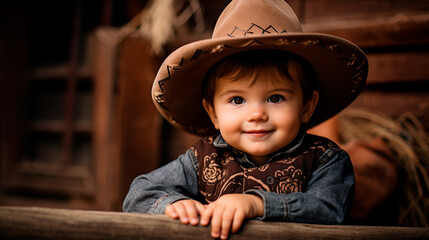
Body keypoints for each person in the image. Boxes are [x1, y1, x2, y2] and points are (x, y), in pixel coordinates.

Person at [123, 0, 368, 239]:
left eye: (275, 98)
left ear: (306, 106)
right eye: (238, 100)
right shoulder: (202, 160)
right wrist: (172, 204)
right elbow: (140, 192)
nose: (256, 114)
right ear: (213, 113)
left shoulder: (325, 160)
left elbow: (328, 209)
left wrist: (257, 203)